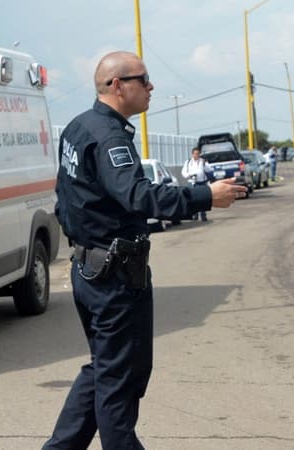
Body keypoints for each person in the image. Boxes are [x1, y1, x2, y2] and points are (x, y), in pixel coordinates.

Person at [45, 51, 246, 450]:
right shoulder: (108, 137)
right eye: (144, 79)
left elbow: (65, 198)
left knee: (103, 371)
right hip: (114, 278)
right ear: (117, 86)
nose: (152, 87)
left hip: (90, 268)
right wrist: (205, 195)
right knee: (121, 382)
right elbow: (137, 195)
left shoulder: (77, 128)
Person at [181, 146, 209, 221]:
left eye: (198, 154)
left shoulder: (203, 161)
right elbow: (183, 172)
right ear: (192, 154)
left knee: (203, 199)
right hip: (192, 183)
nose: (196, 155)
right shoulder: (188, 162)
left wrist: (205, 164)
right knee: (193, 199)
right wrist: (189, 175)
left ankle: (203, 215)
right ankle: (194, 215)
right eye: (195, 154)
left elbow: (209, 169)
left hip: (202, 182)